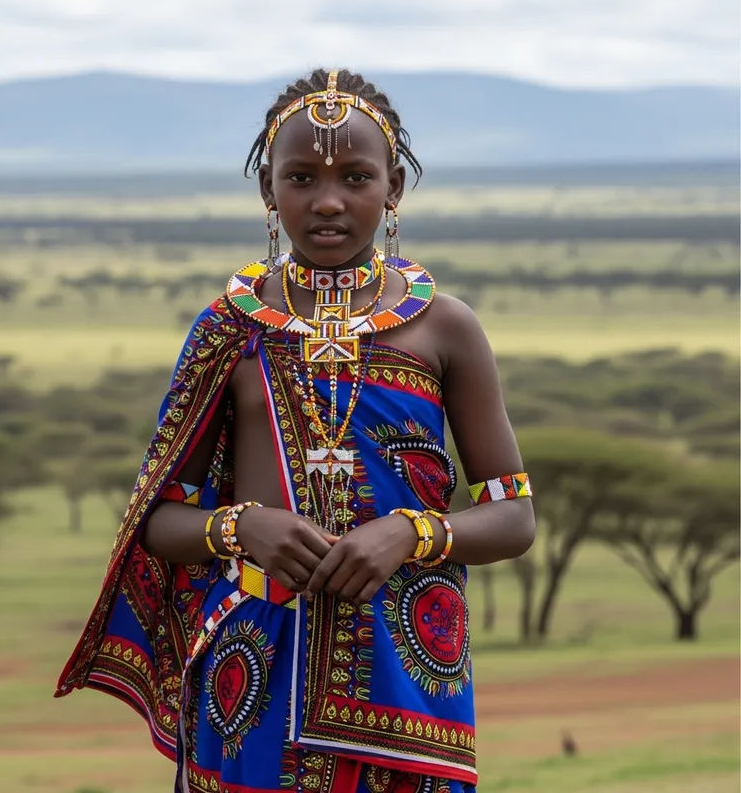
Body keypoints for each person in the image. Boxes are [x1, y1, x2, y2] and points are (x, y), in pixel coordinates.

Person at [56, 68, 536, 793]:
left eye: (356, 176)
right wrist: (241, 528)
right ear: (268, 192)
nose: (329, 201)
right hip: (254, 677)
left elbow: (514, 514)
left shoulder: (446, 329)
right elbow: (157, 519)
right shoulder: (229, 329)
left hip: (409, 675)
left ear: (395, 187)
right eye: (302, 177)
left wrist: (414, 532)